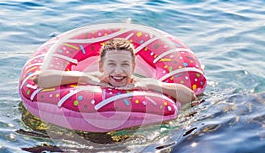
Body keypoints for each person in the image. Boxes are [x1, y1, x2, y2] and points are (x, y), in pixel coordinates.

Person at [34, 38, 197, 106]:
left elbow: (189, 96)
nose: (118, 71)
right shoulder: (90, 79)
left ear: (133, 67)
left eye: (125, 64)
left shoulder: (141, 84)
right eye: (111, 64)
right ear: (101, 66)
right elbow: (39, 79)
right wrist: (84, 78)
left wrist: (151, 86)